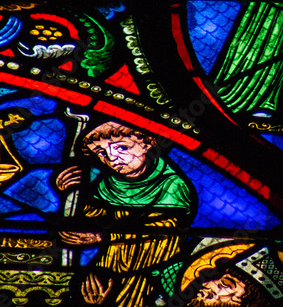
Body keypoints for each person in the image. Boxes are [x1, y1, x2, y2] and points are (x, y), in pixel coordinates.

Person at [55, 121, 197, 307]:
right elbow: (94, 218)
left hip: (148, 269)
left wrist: (102, 236)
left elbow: (161, 232)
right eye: (101, 152)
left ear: (148, 143)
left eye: (122, 147)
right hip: (107, 267)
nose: (112, 157)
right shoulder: (106, 184)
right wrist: (70, 193)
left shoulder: (172, 186)